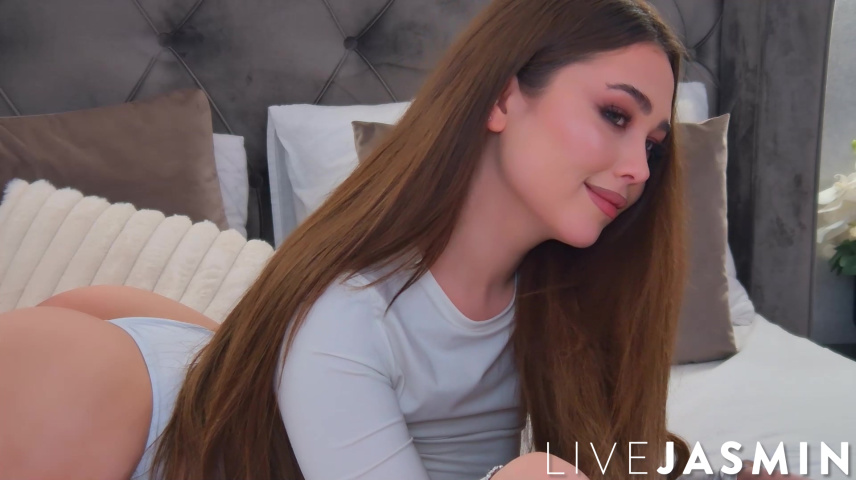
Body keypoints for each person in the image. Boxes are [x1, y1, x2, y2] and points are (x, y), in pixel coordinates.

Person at [0, 1, 804, 479]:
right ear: (502, 99)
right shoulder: (348, 312)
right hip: (113, 404)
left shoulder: (556, 307)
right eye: (615, 115)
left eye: (655, 145)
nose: (637, 169)